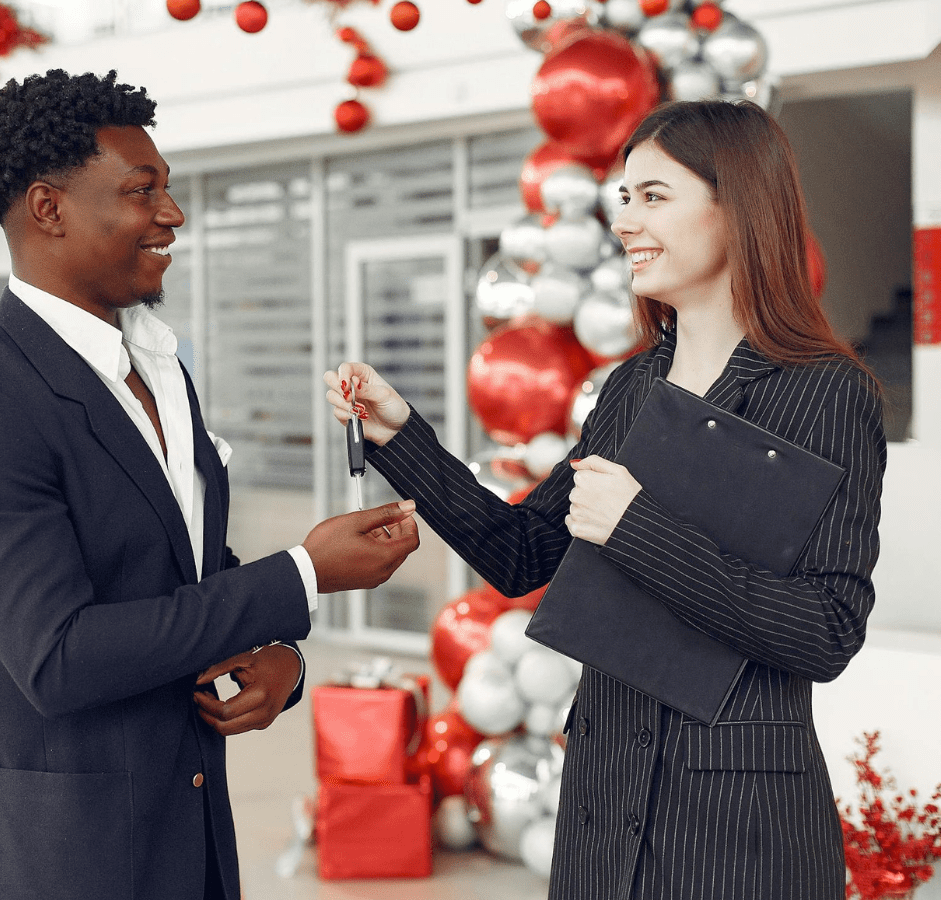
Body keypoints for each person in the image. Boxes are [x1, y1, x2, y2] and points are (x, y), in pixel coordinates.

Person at [325, 99, 885, 900]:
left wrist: (636, 529)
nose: (625, 220)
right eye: (623, 198)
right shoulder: (631, 386)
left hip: (739, 819)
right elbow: (521, 554)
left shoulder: (826, 393)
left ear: (740, 206)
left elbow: (827, 633)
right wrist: (398, 432)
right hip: (601, 796)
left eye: (654, 196)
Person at [0, 69, 419, 900]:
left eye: (168, 191)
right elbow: (61, 657)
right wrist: (303, 574)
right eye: (144, 193)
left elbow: (178, 566)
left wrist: (280, 656)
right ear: (49, 208)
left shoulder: (157, 366)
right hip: (55, 856)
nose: (172, 216)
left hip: (189, 834)